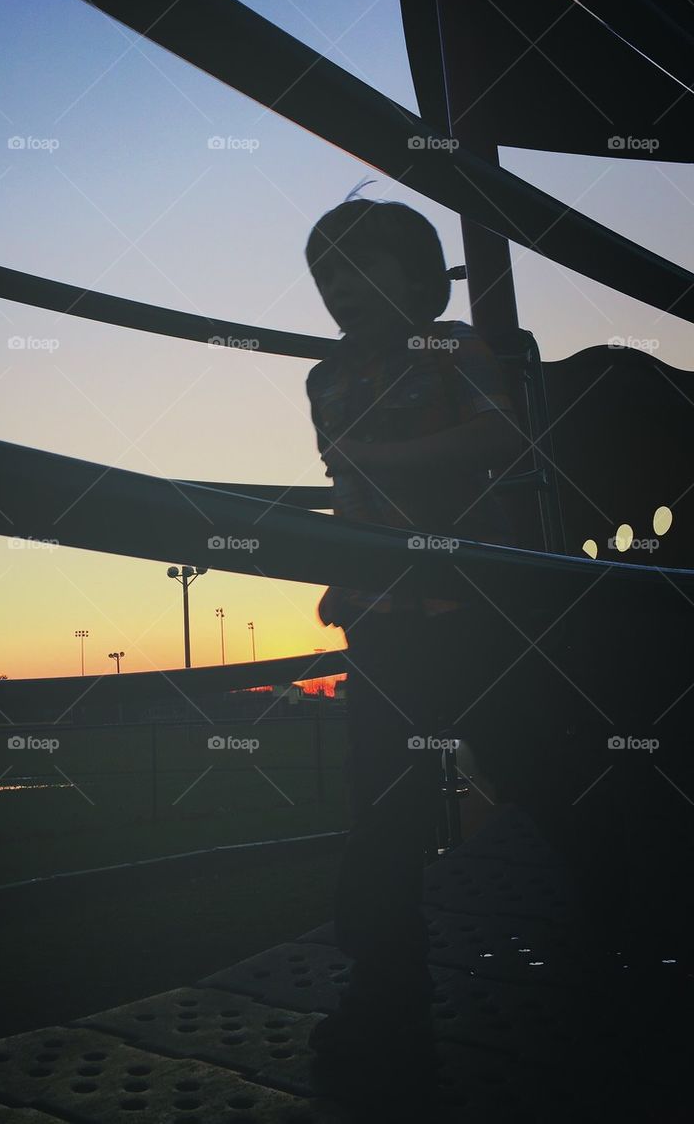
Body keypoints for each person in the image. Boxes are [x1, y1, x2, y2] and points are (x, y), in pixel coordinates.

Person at [303, 195, 527, 1095]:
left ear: (421, 277)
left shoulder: (447, 346)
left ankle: (619, 893)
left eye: (360, 266)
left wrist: (386, 463)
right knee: (381, 805)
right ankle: (387, 993)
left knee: (526, 763)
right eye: (324, 273)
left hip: (469, 605)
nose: (337, 287)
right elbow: (348, 494)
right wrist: (342, 572)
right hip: (383, 622)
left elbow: (502, 431)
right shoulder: (324, 377)